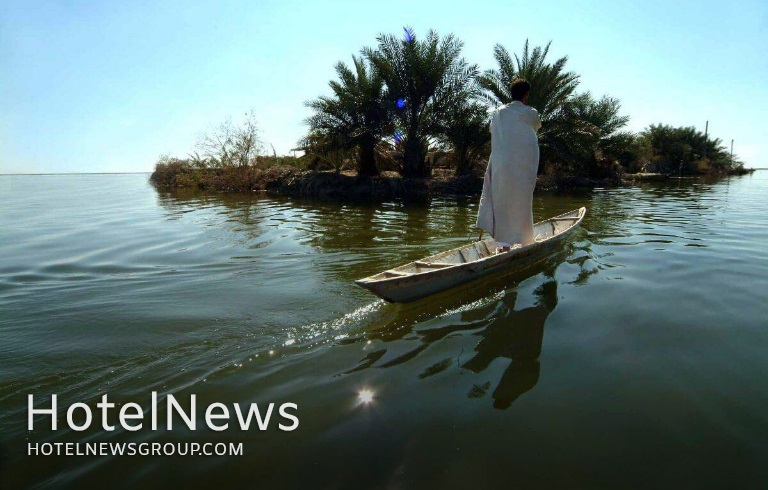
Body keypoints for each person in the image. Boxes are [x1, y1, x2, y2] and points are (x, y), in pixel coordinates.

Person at [476, 78, 542, 252]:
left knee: (503, 201)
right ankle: (525, 240)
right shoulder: (530, 112)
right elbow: (536, 125)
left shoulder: (498, 113)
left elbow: (493, 130)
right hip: (521, 168)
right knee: (522, 201)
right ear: (526, 96)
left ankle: (504, 245)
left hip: (500, 168)